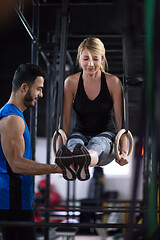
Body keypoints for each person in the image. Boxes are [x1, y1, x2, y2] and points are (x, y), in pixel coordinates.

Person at [0, 63, 62, 240]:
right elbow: (17, 164)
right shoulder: (12, 119)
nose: (41, 94)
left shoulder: (14, 116)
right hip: (13, 203)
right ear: (24, 87)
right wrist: (55, 168)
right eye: (39, 89)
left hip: (17, 201)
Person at [55, 38, 129, 181]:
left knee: (97, 144)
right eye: (85, 58)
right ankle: (73, 162)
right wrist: (59, 152)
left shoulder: (113, 82)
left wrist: (124, 151)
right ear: (79, 58)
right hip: (80, 133)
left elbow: (121, 120)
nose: (90, 64)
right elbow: (64, 119)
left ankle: (84, 160)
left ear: (102, 59)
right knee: (74, 144)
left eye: (95, 59)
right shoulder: (71, 82)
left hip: (105, 136)